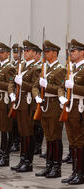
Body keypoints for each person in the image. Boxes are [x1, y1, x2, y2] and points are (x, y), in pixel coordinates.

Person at [32, 40, 65, 178]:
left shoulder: (62, 70)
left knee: (55, 137)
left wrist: (47, 87)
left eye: (47, 52)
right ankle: (49, 165)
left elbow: (62, 89)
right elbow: (35, 86)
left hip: (54, 105)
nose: (45, 54)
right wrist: (37, 97)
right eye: (44, 52)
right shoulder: (44, 69)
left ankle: (56, 168)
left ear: (55, 53)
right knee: (48, 137)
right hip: (44, 105)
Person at [8, 40, 41, 172]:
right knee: (22, 133)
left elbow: (35, 86)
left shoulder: (36, 68)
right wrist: (11, 93)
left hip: (28, 104)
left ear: (34, 53)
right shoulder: (20, 66)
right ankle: (22, 159)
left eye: (28, 51)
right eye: (25, 51)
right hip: (19, 102)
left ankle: (28, 162)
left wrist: (22, 83)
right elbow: (12, 82)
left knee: (28, 133)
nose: (25, 53)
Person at [58, 39, 84, 185]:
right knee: (72, 141)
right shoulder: (71, 69)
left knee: (80, 141)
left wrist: (74, 87)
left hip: (80, 110)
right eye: (71, 51)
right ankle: (75, 172)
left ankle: (80, 174)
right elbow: (61, 86)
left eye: (74, 51)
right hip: (68, 108)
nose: (71, 53)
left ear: (82, 52)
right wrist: (61, 96)